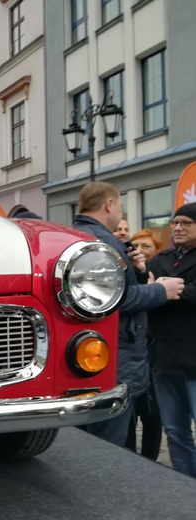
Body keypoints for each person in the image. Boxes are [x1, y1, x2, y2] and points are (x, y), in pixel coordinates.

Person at [72, 182, 183, 447]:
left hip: (89, 350)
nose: (121, 215)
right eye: (121, 207)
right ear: (109, 204)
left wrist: (139, 272)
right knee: (109, 441)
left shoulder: (74, 234)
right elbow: (112, 301)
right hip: (115, 354)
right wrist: (159, 290)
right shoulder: (104, 241)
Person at [147, 202, 196, 478]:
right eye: (175, 223)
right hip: (164, 359)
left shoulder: (161, 264)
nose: (178, 228)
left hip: (193, 359)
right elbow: (151, 296)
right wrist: (159, 291)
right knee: (175, 431)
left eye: (186, 223)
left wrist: (163, 289)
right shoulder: (161, 258)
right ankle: (186, 485)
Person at [124, 228, 165, 460]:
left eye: (146, 247)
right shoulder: (130, 273)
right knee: (129, 416)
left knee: (152, 416)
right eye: (136, 247)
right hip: (133, 357)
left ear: (157, 251)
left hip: (155, 357)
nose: (139, 252)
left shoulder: (160, 271)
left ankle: (151, 460)